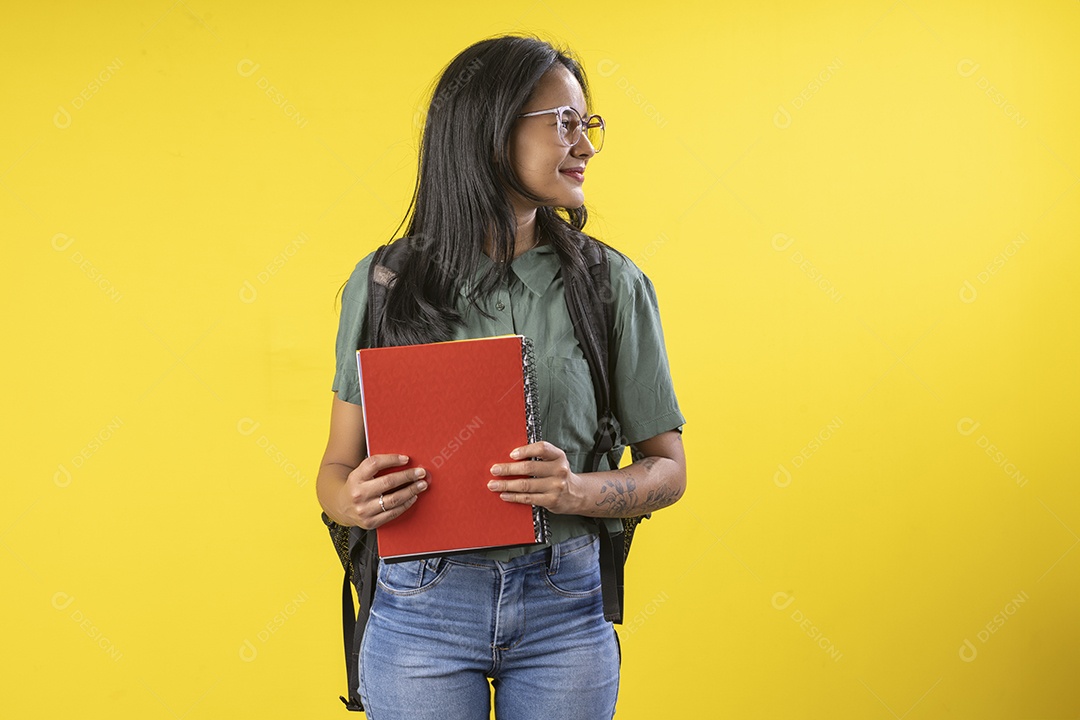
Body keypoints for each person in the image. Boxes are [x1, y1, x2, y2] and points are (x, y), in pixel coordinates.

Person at [316, 34, 686, 720]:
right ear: (491, 135)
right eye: (565, 124)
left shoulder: (613, 286)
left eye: (588, 124)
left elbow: (667, 471)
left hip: (566, 608)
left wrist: (576, 489)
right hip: (420, 607)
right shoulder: (382, 285)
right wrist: (354, 501)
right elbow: (335, 471)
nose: (586, 145)